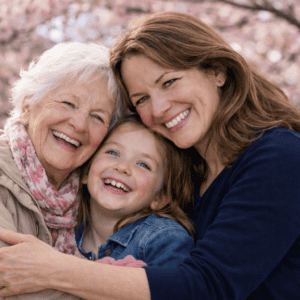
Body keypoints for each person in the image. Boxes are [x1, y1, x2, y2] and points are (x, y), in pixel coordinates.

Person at [0, 10, 299, 300]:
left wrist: (52, 268)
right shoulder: (189, 175)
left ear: (217, 71)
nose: (158, 109)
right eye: (141, 99)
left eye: (169, 82)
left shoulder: (280, 157)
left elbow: (208, 286)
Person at [0, 41, 124, 299]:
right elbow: (10, 285)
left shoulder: (98, 197)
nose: (79, 124)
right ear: (28, 103)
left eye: (98, 117)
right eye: (68, 103)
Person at [76, 114, 194, 266]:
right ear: (86, 172)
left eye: (143, 164)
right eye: (113, 152)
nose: (123, 167)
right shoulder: (61, 229)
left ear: (160, 197)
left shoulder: (164, 239)